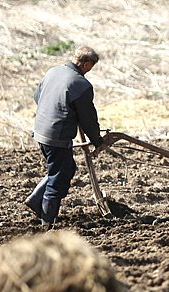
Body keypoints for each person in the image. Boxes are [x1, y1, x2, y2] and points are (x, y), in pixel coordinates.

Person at [25, 45, 108, 229]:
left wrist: (58, 109)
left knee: (67, 168)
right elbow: (88, 119)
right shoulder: (81, 84)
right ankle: (47, 224)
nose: (90, 71)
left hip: (41, 132)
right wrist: (97, 140)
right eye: (91, 67)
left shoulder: (53, 71)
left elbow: (38, 96)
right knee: (59, 181)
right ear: (86, 64)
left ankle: (36, 198)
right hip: (57, 137)